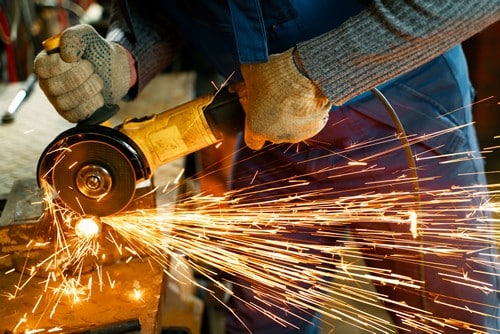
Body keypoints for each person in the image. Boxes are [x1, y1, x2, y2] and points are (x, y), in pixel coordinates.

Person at [34, 1, 500, 333]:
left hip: (401, 123)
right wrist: (125, 57)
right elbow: (170, 10)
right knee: (261, 319)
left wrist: (319, 71)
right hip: (268, 133)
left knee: (452, 318)